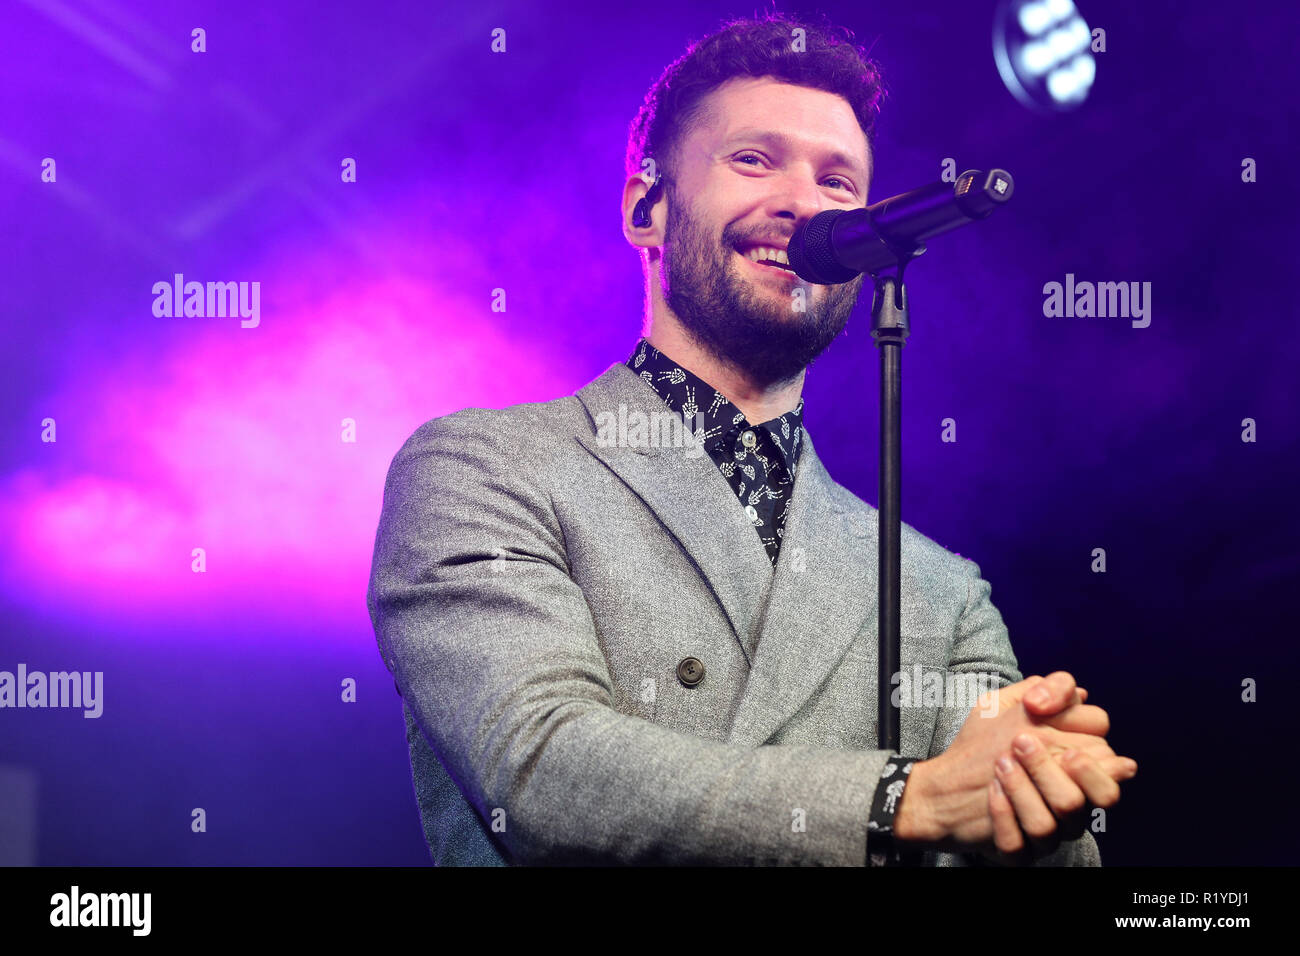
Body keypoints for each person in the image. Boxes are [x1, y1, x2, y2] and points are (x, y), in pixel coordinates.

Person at [365, 11, 1137, 866]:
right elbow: (543, 766)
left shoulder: (941, 591)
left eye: (839, 183)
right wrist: (895, 802)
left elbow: (1018, 836)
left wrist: (1044, 794)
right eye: (753, 159)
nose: (804, 203)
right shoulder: (483, 469)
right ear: (647, 208)